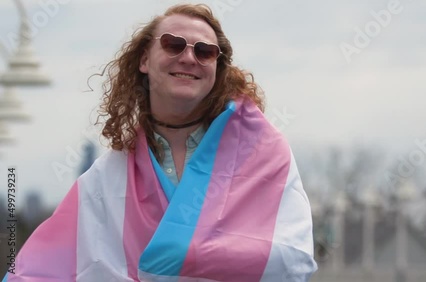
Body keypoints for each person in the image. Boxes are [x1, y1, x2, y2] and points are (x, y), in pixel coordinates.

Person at [3, 3, 317, 281]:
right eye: (173, 45)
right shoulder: (106, 179)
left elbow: (293, 258)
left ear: (217, 69)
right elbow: (42, 270)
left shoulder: (264, 152)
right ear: (144, 59)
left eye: (204, 51)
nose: (189, 57)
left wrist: (178, 259)